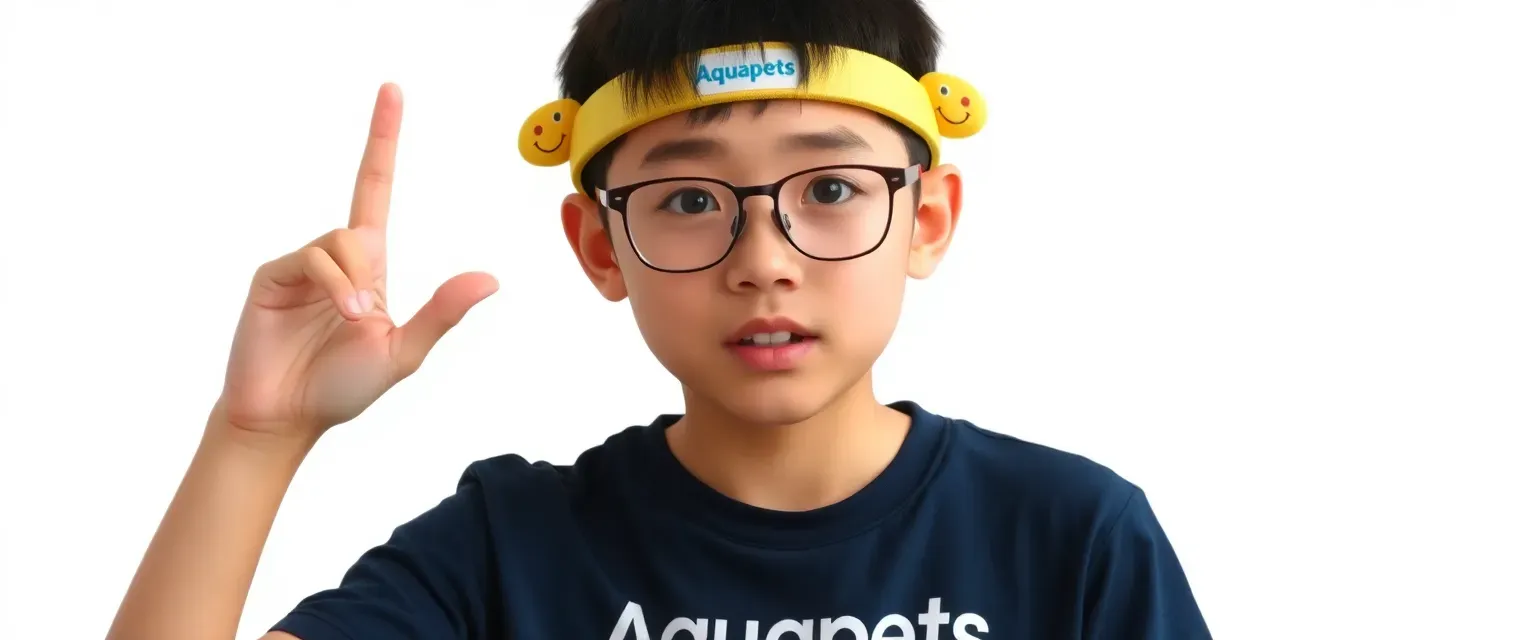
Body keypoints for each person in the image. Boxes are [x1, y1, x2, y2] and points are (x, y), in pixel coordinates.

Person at [107, 0, 1211, 638]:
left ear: (926, 217)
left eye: (828, 188)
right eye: (690, 201)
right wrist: (254, 439)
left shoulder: (1072, 537)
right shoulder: (509, 552)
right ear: (600, 246)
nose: (763, 261)